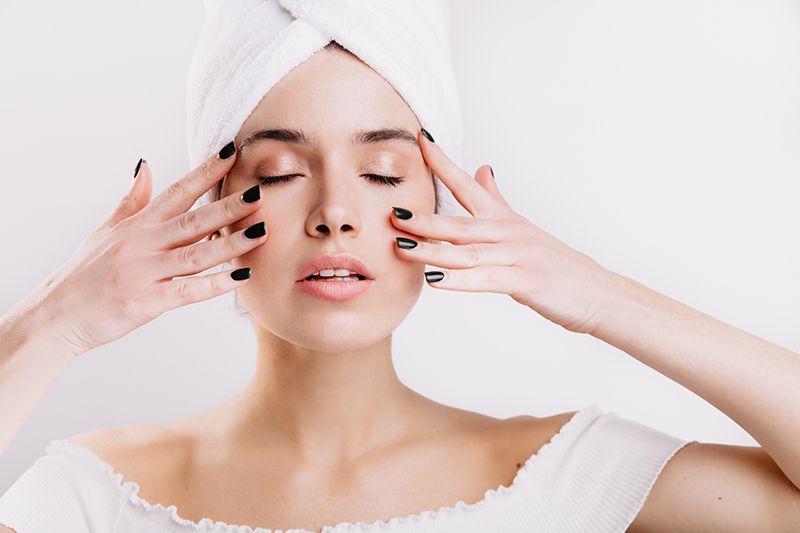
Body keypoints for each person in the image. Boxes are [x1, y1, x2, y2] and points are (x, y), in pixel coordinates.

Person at [2, 2, 800, 532]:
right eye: (279, 171)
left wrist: (596, 294)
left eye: (383, 173)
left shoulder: (565, 478)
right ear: (214, 204)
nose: (336, 211)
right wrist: (53, 325)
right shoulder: (89, 496)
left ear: (440, 205)